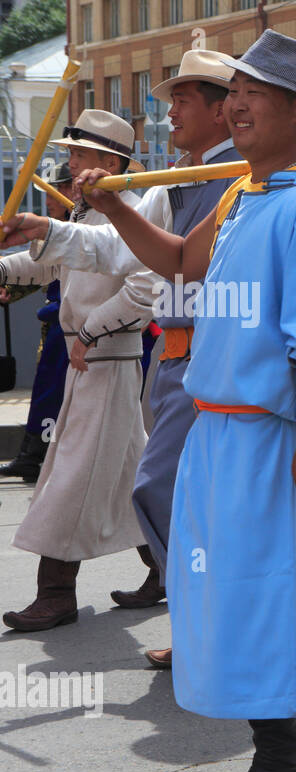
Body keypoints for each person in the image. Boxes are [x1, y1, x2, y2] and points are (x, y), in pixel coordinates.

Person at [73, 30, 296, 772]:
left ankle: (280, 765)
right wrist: (109, 206)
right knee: (220, 593)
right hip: (215, 427)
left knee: (251, 592)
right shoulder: (246, 194)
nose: (236, 104)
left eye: (255, 92)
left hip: (271, 436)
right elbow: (176, 263)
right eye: (233, 90)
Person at [0, 110, 166, 632]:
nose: (69, 165)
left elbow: (147, 287)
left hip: (108, 358)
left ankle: (55, 591)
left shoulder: (135, 212)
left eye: (80, 155)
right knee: (129, 476)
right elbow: (51, 262)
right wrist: (4, 267)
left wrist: (93, 330)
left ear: (111, 161)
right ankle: (165, 567)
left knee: (71, 478)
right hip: (86, 359)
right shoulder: (85, 214)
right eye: (70, 154)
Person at [0, 166, 75, 482]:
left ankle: (48, 456)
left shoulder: (91, 223)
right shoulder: (61, 227)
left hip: (84, 328)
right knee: (50, 393)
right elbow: (44, 268)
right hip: (63, 326)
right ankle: (36, 455)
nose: (48, 200)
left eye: (53, 192)